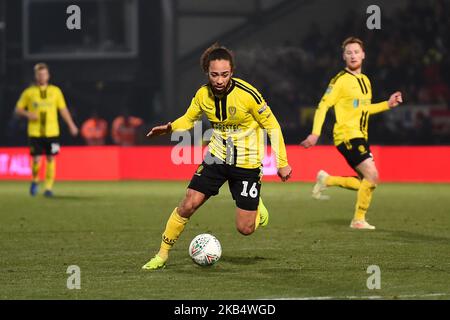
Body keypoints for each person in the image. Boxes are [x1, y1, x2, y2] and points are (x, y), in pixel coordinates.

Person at [142, 43, 292, 270]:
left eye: (224, 74)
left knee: (245, 229)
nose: (220, 80)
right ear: (207, 72)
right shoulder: (203, 95)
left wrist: (282, 162)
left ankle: (256, 199)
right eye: (214, 75)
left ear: (232, 72)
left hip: (246, 163)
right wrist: (170, 128)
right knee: (188, 203)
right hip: (216, 157)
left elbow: (273, 126)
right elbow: (188, 119)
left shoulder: (248, 95)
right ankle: (162, 255)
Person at [300, 37, 403, 230]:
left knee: (367, 181)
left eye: (356, 52)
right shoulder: (339, 81)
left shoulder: (365, 80)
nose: (353, 55)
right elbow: (323, 106)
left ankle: (327, 180)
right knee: (372, 175)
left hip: (360, 136)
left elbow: (364, 109)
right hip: (347, 136)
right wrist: (315, 133)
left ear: (363, 55)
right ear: (343, 57)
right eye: (349, 53)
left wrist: (387, 104)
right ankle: (358, 220)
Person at [15, 63, 78, 197]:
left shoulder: (56, 91)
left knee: (51, 158)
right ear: (36, 76)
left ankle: (48, 188)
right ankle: (35, 180)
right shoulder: (29, 92)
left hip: (52, 132)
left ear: (48, 75)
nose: (42, 76)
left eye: (44, 74)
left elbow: (63, 110)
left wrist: (71, 124)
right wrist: (28, 114)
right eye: (39, 74)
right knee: (37, 160)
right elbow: (18, 109)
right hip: (35, 132)